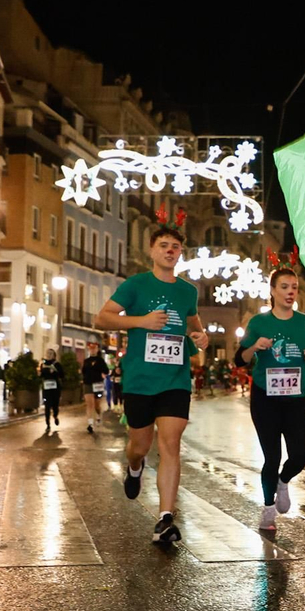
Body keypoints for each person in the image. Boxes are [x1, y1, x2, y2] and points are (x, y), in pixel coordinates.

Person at [93, 223, 210, 546]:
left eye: (175, 246)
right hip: (140, 379)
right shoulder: (136, 285)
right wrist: (141, 321)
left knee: (170, 444)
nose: (170, 251)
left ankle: (165, 518)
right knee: (140, 446)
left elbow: (195, 328)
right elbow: (101, 319)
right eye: (164, 245)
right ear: (152, 250)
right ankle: (134, 466)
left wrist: (202, 337)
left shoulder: (187, 291)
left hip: (175, 380)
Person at [237, 268, 305, 532]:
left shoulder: (304, 323)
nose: (291, 291)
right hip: (265, 398)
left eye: (294, 286)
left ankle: (284, 480)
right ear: (272, 291)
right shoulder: (259, 323)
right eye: (284, 287)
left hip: (295, 398)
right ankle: (268, 508)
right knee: (272, 457)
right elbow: (239, 359)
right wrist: (254, 347)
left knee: (300, 455)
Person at [81, 340, 110, 434]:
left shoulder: (100, 360)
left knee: (97, 404)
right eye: (91, 348)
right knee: (89, 404)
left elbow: (106, 371)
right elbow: (83, 371)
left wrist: (102, 373)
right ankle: (90, 424)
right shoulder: (86, 361)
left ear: (97, 349)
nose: (92, 350)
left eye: (94, 348)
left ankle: (98, 415)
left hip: (97, 384)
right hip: (88, 383)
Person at [39, 347, 64, 433]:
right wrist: (39, 374)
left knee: (55, 405)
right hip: (46, 389)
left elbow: (62, 375)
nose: (48, 355)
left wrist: (55, 372)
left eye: (50, 354)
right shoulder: (43, 364)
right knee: (47, 406)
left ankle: (55, 416)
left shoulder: (57, 364)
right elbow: (41, 375)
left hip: (55, 389)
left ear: (54, 355)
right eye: (47, 353)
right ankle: (48, 424)